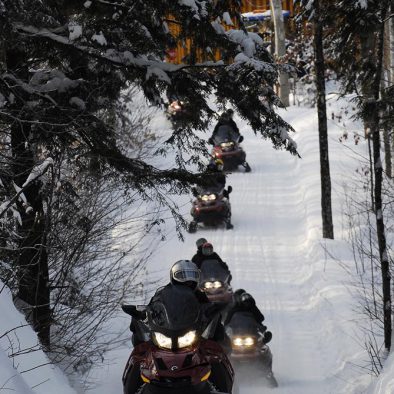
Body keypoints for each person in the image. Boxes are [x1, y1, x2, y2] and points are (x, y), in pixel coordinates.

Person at [125, 260, 231, 394]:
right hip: (165, 335)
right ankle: (132, 389)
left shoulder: (200, 296)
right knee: (139, 354)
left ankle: (223, 389)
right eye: (182, 275)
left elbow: (210, 311)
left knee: (215, 352)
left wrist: (212, 312)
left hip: (193, 336)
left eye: (192, 276)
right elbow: (153, 309)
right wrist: (142, 314)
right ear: (173, 276)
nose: (188, 280)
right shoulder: (162, 295)